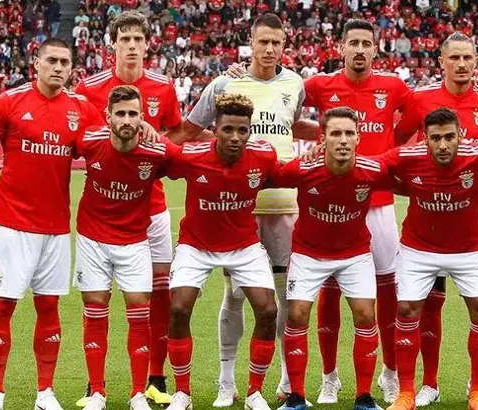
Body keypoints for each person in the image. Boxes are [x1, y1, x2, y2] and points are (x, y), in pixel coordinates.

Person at [181, 13, 314, 407]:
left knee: (284, 297)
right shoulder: (227, 83)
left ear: (284, 45)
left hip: (284, 207)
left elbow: (292, 126)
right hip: (239, 210)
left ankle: (287, 381)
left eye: (276, 42)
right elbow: (192, 129)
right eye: (263, 42)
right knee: (236, 295)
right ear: (250, 43)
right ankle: (227, 381)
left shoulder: (295, 84)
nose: (269, 49)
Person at [74, 10, 204, 406]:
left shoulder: (163, 86)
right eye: (125, 39)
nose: (131, 46)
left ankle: (156, 377)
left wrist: (155, 138)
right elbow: (81, 135)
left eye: (138, 40)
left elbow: (176, 133)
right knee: (100, 298)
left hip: (153, 205)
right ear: (113, 44)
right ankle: (95, 386)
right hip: (107, 206)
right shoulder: (89, 87)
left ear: (148, 45)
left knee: (157, 293)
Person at [0, 38, 102, 410]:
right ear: (36, 63)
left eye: (65, 62)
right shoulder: (10, 102)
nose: (58, 67)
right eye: (52, 60)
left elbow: (107, 149)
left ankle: (45, 392)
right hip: (11, 225)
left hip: (55, 229)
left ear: (71, 68)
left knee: (49, 308)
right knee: (3, 306)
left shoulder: (81, 109)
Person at [394, 31, 478, 407]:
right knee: (428, 304)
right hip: (429, 218)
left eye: (468, 57)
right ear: (441, 62)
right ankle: (429, 383)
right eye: (454, 57)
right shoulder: (421, 100)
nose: (461, 64)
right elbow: (397, 142)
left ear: (477, 61)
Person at [380, 108, 478, 410]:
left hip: (469, 249)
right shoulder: (407, 156)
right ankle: (406, 394)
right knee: (406, 309)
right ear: (425, 139)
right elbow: (371, 166)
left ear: (460, 136)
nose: (443, 145)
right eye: (435, 138)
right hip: (419, 250)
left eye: (449, 137)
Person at [301, 19, 412, 404]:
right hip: (333, 203)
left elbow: (422, 113)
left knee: (387, 292)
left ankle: (390, 373)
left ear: (376, 49)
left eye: (367, 43)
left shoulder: (393, 86)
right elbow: (280, 97)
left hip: (378, 204)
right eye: (354, 43)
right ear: (341, 47)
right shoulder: (319, 85)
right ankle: (329, 377)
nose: (360, 50)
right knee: (329, 291)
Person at [164, 94, 279, 410]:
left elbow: (287, 174)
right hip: (196, 245)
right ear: (214, 129)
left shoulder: (263, 156)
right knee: (178, 308)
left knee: (268, 310)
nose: (236, 137)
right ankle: (183, 393)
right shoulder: (191, 156)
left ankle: (254, 393)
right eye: (228, 129)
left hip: (243, 245)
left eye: (243, 130)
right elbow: (160, 161)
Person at [271, 107, 388, 410]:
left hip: (354, 253)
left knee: (366, 315)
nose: (343, 140)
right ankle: (296, 397)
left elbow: (407, 177)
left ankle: (364, 397)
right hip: (309, 253)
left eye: (349, 133)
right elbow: (269, 176)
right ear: (322, 139)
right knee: (297, 315)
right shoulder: (303, 168)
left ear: (359, 138)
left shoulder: (373, 170)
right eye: (335, 133)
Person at [74, 85, 180, 410]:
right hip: (92, 238)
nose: (126, 120)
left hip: (134, 240)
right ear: (107, 116)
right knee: (95, 310)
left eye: (133, 114)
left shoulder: (155, 150)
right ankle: (97, 392)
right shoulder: (89, 141)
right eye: (120, 113)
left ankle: (137, 394)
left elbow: (190, 163)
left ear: (142, 117)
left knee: (139, 313)